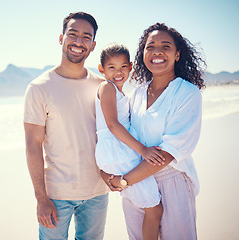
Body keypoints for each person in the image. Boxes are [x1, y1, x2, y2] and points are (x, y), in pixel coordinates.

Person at [100, 23, 206, 240]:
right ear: (143, 54)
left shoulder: (187, 93)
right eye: (151, 47)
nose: (157, 51)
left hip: (171, 181)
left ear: (177, 54)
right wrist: (107, 172)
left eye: (165, 46)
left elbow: (168, 153)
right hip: (135, 182)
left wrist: (124, 181)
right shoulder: (137, 94)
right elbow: (118, 134)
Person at [23, 12, 109, 240]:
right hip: (56, 195)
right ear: (61, 38)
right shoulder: (39, 87)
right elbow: (33, 145)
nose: (78, 42)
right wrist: (41, 198)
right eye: (73, 34)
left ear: (92, 45)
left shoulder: (102, 86)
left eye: (86, 37)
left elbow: (113, 133)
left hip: (97, 192)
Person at [95, 43, 164, 240]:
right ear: (101, 69)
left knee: (150, 208)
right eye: (112, 67)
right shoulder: (107, 87)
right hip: (120, 152)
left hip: (119, 152)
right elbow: (112, 125)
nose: (119, 72)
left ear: (131, 66)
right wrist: (143, 150)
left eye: (123, 66)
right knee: (155, 209)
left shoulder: (119, 92)